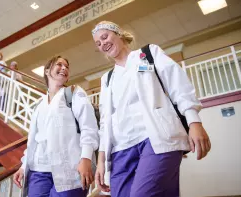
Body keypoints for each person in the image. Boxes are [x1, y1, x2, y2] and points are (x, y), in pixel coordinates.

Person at [92, 21, 211, 197]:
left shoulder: (146, 56)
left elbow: (176, 83)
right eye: (98, 43)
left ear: (118, 34)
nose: (103, 44)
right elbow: (105, 121)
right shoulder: (107, 79)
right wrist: (101, 160)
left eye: (105, 37)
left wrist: (194, 121)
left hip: (155, 139)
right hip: (120, 150)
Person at [13, 56, 99, 197]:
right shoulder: (38, 105)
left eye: (67, 66)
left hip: (70, 168)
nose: (64, 68)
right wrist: (24, 166)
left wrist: (86, 158)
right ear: (47, 71)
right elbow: (33, 141)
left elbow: (88, 127)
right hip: (38, 170)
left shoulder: (74, 92)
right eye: (59, 64)